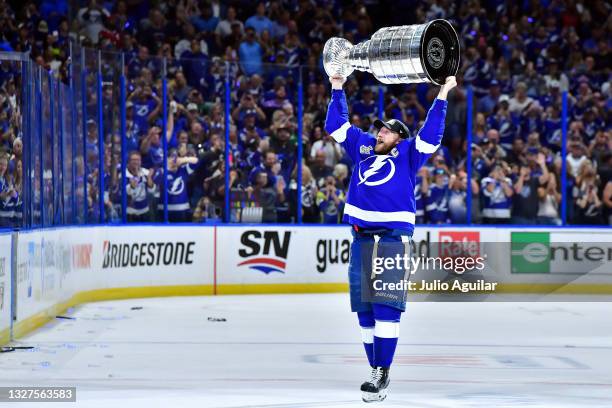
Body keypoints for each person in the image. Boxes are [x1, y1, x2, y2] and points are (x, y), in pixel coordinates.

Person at [325, 72, 456, 402]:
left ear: (399, 137)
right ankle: (377, 370)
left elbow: (432, 135)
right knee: (364, 314)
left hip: (393, 240)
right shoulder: (364, 147)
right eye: (378, 128)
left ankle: (380, 372)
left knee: (386, 309)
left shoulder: (409, 153)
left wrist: (443, 93)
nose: (378, 131)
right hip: (362, 240)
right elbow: (336, 125)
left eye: (386, 129)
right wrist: (337, 85)